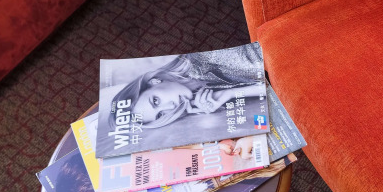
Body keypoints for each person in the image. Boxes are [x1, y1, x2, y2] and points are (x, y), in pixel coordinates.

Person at [106, 44, 266, 149]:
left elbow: (268, 64)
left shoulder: (201, 61)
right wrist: (227, 94)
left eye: (156, 101)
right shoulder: (201, 95)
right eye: (160, 115)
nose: (170, 107)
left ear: (154, 81)